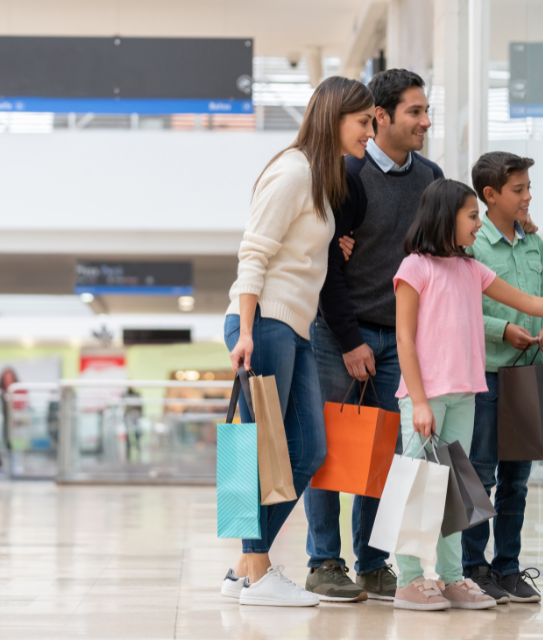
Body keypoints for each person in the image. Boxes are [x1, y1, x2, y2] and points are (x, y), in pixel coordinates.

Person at [392, 178, 543, 611]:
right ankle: (409, 579)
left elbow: (531, 303)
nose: (478, 225)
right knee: (418, 485)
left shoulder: (471, 270)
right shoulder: (414, 268)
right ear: (446, 217)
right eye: (472, 216)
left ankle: (449, 577)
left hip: (465, 394)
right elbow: (404, 340)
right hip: (425, 397)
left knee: (454, 492)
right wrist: (419, 401)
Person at [220, 76, 376, 608]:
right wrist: (244, 330)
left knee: (309, 450)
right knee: (260, 453)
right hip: (264, 323)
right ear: (335, 118)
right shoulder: (292, 171)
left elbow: (304, 252)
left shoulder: (321, 182)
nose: (369, 134)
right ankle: (258, 574)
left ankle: (245, 567)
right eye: (364, 123)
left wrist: (338, 242)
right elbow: (253, 252)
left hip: (295, 328)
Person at [303, 69, 440, 603]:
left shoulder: (431, 176)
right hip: (341, 335)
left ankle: (373, 563)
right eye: (414, 112)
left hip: (399, 341)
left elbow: (436, 257)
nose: (425, 121)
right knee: (329, 452)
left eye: (426, 111)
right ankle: (323, 561)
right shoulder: (344, 174)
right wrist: (349, 337)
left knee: (384, 458)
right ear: (379, 116)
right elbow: (328, 267)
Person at [460, 152, 543, 604]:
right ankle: (473, 568)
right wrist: (502, 330)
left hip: (529, 379)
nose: (528, 196)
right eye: (519, 189)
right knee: (479, 476)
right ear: (490, 195)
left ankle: (509, 567)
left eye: (528, 187)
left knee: (517, 480)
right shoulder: (471, 246)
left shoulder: (534, 244)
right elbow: (457, 311)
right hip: (486, 376)